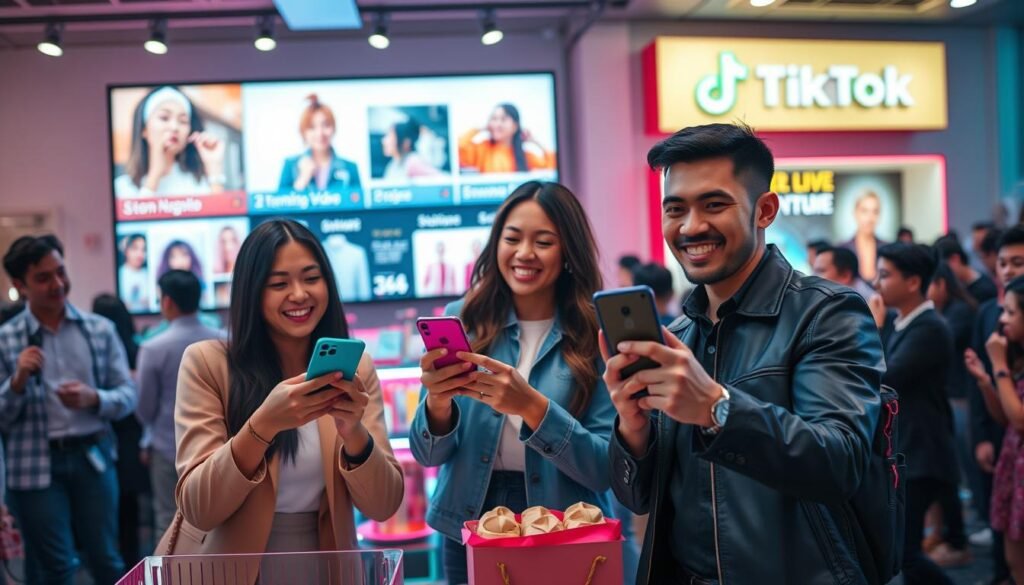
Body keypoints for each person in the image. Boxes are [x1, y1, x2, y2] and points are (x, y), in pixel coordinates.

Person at [606, 124, 885, 584]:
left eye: (714, 204)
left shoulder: (826, 314)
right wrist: (632, 431)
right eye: (675, 209)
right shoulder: (678, 334)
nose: (691, 226)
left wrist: (717, 409)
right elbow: (637, 499)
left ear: (765, 210)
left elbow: (841, 463)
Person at [410, 181, 616, 585]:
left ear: (568, 252)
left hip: (566, 526)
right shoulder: (462, 320)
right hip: (466, 522)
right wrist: (437, 404)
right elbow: (428, 456)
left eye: (543, 241)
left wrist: (533, 408)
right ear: (496, 245)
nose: (524, 253)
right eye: (512, 238)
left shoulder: (597, 333)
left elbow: (604, 469)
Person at [156, 219, 403, 557]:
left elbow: (384, 505)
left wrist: (354, 433)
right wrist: (263, 426)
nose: (299, 294)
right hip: (227, 568)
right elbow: (199, 508)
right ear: (251, 292)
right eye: (278, 283)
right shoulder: (207, 364)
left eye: (312, 279)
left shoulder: (354, 368)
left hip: (326, 566)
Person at [0, 234, 136, 585]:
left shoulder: (99, 330)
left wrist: (95, 398)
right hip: (33, 467)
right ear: (20, 285)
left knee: (107, 560)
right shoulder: (6, 339)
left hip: (93, 457)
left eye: (60, 272)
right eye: (43, 278)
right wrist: (16, 382)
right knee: (56, 568)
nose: (58, 284)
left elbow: (127, 396)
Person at [867, 243, 958, 584]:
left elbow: (884, 377)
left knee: (905, 554)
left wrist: (873, 330)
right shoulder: (901, 322)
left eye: (886, 275)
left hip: (924, 451)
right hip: (910, 449)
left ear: (913, 282)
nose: (877, 283)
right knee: (902, 553)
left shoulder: (931, 328)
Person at [135, 270, 223, 536]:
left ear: (167, 301)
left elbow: (144, 407)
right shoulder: (225, 339)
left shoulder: (153, 347)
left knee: (168, 521)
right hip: (219, 445)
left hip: (167, 446)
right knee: (217, 522)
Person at [965, 226, 1024, 585]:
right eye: (1002, 263)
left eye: (1017, 262)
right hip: (1006, 445)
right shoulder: (989, 311)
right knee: (1008, 542)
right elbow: (984, 391)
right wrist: (982, 436)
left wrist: (998, 367)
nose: (1007, 270)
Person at [91, 293, 151, 569]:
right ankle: (132, 561)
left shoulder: (96, 349)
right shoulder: (138, 348)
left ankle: (110, 562)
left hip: (102, 432)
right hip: (132, 432)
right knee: (130, 505)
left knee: (103, 508)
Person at [114, 85, 227, 198]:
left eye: (183, 121)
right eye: (164, 118)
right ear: (144, 129)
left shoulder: (200, 184)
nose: (174, 127)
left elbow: (220, 214)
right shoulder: (122, 188)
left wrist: (214, 169)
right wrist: (154, 176)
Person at [278, 94, 362, 194]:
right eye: (312, 127)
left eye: (326, 125)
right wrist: (302, 180)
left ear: (333, 128)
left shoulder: (350, 168)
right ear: (303, 132)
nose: (320, 133)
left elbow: (359, 205)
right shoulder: (290, 165)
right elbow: (279, 205)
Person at [458, 104, 556, 174]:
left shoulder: (524, 156)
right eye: (494, 119)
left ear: (515, 126)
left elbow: (552, 165)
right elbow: (458, 149)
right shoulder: (482, 149)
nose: (497, 124)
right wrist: (478, 129)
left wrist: (535, 141)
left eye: (503, 119)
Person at [841, 190, 888, 282]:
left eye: (875, 212)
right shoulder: (843, 249)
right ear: (855, 213)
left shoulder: (887, 249)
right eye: (864, 211)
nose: (870, 218)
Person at [935, 235, 999, 304]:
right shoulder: (957, 288)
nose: (942, 272)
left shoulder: (986, 290)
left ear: (955, 259)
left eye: (944, 267)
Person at [118, 234, 152, 312]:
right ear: (126, 251)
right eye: (135, 248)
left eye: (143, 250)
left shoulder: (148, 275)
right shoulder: (120, 274)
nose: (139, 254)